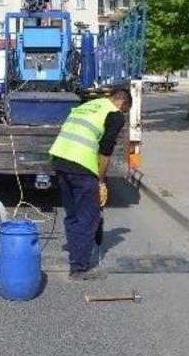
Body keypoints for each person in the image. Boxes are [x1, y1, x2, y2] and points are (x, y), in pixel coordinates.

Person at [48, 89, 132, 280]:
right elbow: (105, 150)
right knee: (88, 218)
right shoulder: (115, 115)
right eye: (125, 111)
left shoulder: (87, 105)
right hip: (82, 166)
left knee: (73, 214)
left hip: (60, 159)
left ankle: (75, 252)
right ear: (123, 104)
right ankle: (79, 268)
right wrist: (101, 181)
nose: (123, 115)